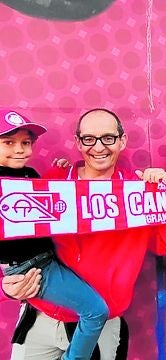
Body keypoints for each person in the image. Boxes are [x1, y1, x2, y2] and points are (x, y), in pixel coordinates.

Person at [1, 108, 166, 360]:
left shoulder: (138, 194)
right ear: (78, 142)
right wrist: (7, 288)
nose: (98, 147)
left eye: (108, 138)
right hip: (40, 318)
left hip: (99, 325)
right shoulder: (52, 181)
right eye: (89, 139)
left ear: (122, 141)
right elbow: (12, 239)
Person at [0, 109, 109, 360]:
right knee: (95, 311)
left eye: (26, 143)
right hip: (29, 270)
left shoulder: (30, 175)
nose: (19, 149)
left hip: (48, 260)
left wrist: (62, 172)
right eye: (9, 142)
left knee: (96, 309)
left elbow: (56, 207)